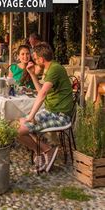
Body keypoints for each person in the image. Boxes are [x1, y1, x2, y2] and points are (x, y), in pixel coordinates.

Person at [18, 42, 73, 172]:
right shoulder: (50, 68)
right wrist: (32, 74)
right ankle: (45, 150)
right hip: (51, 111)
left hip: (61, 115)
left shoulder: (55, 69)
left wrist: (31, 116)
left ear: (41, 59)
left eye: (35, 59)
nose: (34, 61)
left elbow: (42, 95)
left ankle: (45, 151)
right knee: (19, 124)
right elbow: (41, 90)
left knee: (19, 131)